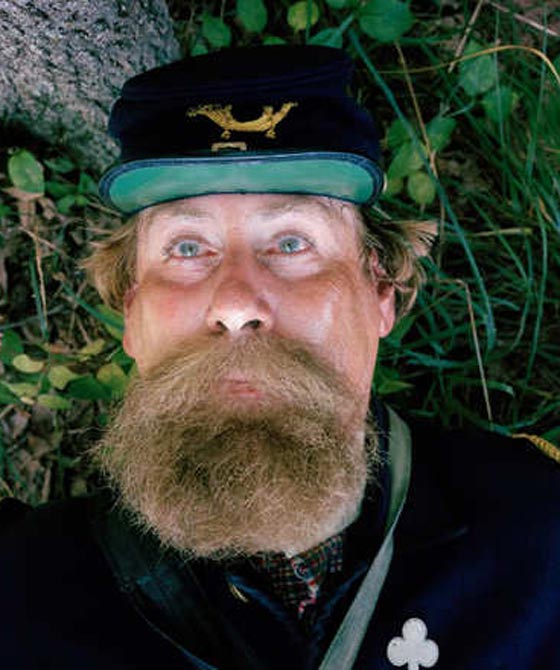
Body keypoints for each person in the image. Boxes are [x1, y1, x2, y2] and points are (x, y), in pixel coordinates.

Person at [0, 45, 559, 670]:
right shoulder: (19, 595)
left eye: (291, 243)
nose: (236, 303)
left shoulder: (541, 536)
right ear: (131, 311)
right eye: (187, 248)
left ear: (380, 293)